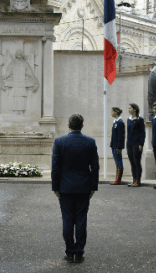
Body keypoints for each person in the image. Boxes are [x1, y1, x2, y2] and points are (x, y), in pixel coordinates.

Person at [51, 113, 99, 264]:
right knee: (81, 220)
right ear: (82, 126)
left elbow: (56, 167)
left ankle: (69, 252)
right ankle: (79, 253)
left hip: (65, 187)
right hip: (84, 187)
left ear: (69, 126)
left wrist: (55, 187)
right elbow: (95, 167)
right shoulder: (90, 142)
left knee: (67, 220)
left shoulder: (59, 142)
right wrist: (93, 187)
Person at [126, 103, 145, 187]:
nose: (129, 110)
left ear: (134, 109)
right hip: (129, 143)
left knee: (137, 162)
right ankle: (134, 180)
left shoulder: (140, 119)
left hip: (137, 143)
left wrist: (141, 144)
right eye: (128, 108)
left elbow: (142, 132)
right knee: (132, 162)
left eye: (130, 108)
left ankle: (138, 180)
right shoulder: (128, 119)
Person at [109, 107, 125, 185]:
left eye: (112, 112)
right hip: (114, 145)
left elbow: (121, 136)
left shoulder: (120, 122)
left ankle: (118, 179)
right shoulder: (115, 122)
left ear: (116, 112)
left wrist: (119, 146)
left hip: (117, 146)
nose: (111, 113)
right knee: (117, 162)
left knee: (119, 162)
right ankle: (117, 178)